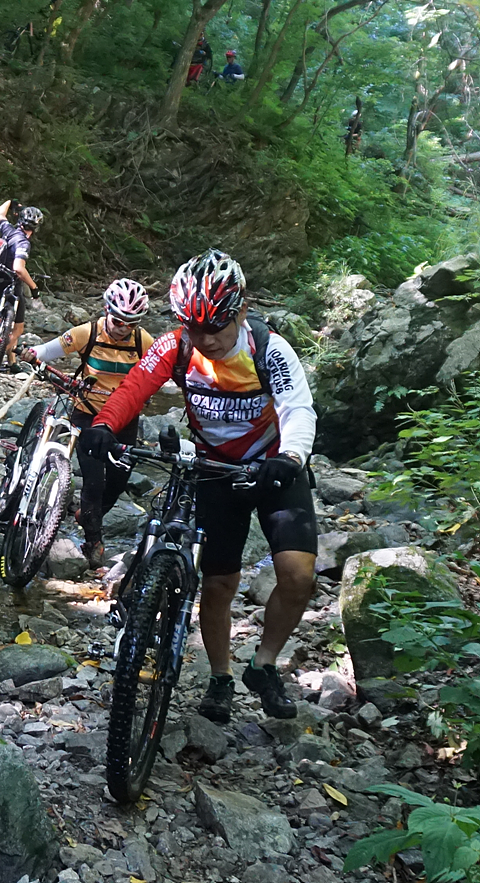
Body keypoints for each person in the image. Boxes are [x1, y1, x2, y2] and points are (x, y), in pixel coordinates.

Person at [78, 249, 318, 724]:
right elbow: (135, 387)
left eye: (215, 327)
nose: (204, 339)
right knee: (219, 582)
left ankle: (264, 666)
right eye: (193, 326)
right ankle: (220, 678)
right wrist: (104, 425)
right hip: (214, 469)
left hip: (273, 467)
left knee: (298, 577)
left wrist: (291, 457)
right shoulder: (177, 346)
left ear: (241, 312)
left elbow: (297, 408)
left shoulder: (270, 349)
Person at [22, 279, 154, 568]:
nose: (123, 328)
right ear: (107, 311)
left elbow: (161, 370)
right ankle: (94, 540)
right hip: (88, 413)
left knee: (118, 482)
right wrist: (33, 353)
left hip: (125, 419)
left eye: (131, 323)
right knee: (94, 481)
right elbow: (50, 349)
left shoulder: (143, 341)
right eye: (118, 321)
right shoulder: (88, 332)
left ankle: (88, 515)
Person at [0, 200, 44, 373]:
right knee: (18, 327)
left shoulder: (9, 231)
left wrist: (10, 202)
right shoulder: (23, 243)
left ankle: (12, 362)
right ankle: (0, 354)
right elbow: (19, 269)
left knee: (2, 316)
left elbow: (0, 214)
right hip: (11, 283)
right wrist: (34, 288)